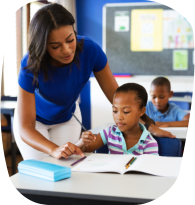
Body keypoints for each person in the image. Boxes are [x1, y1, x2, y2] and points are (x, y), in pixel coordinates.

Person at [13, 3, 173, 161]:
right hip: (35, 121)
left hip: (66, 118)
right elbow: (26, 128)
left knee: (66, 168)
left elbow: (117, 95)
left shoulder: (90, 50)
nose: (67, 50)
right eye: (56, 46)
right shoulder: (30, 64)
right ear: (43, 46)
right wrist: (54, 149)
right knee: (43, 170)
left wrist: (147, 124)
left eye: (70, 39)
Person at [76, 83, 159, 155]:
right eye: (115, 111)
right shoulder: (109, 133)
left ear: (141, 111)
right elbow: (85, 149)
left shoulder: (149, 143)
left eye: (126, 112)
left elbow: (150, 168)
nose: (119, 117)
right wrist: (83, 142)